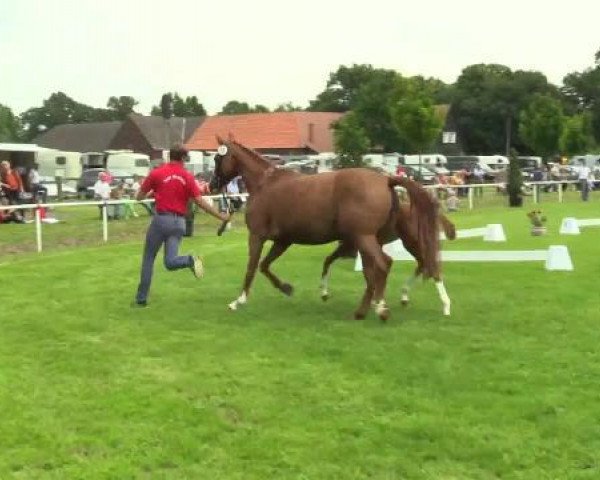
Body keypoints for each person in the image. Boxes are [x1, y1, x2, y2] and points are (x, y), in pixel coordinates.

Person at [134, 144, 230, 307]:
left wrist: (152, 192)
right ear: (184, 158)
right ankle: (189, 260)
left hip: (161, 220)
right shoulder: (187, 177)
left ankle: (141, 299)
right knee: (170, 262)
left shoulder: (157, 173)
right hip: (179, 222)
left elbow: (139, 197)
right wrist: (220, 216)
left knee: (149, 259)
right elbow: (199, 201)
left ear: (168, 156)